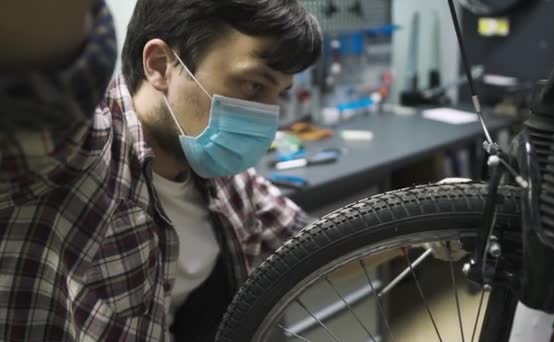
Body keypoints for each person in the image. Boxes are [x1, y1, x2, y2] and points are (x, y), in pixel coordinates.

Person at [0, 0, 322, 340]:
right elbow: (31, 67)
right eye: (254, 86)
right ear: (159, 65)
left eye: (279, 94)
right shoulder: (78, 152)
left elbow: (322, 247)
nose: (268, 116)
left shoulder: (227, 178)